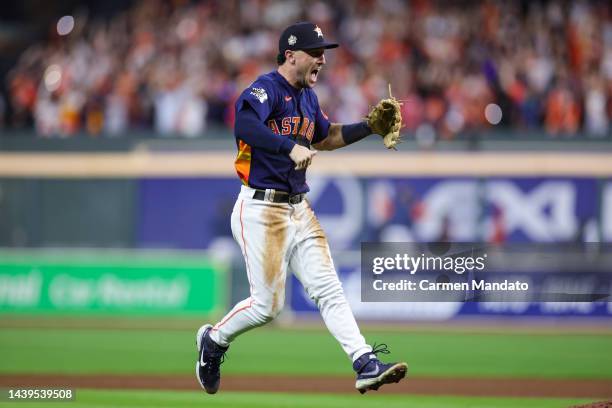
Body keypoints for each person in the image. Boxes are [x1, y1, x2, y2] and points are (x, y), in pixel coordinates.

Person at [196, 21, 406, 395]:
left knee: (328, 287)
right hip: (261, 209)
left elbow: (325, 137)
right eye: (316, 52)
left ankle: (364, 363)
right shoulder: (267, 88)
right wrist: (286, 146)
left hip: (298, 207)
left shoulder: (308, 97)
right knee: (268, 307)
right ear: (290, 55)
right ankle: (213, 340)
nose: (322, 60)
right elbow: (244, 123)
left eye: (324, 52)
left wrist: (369, 128)